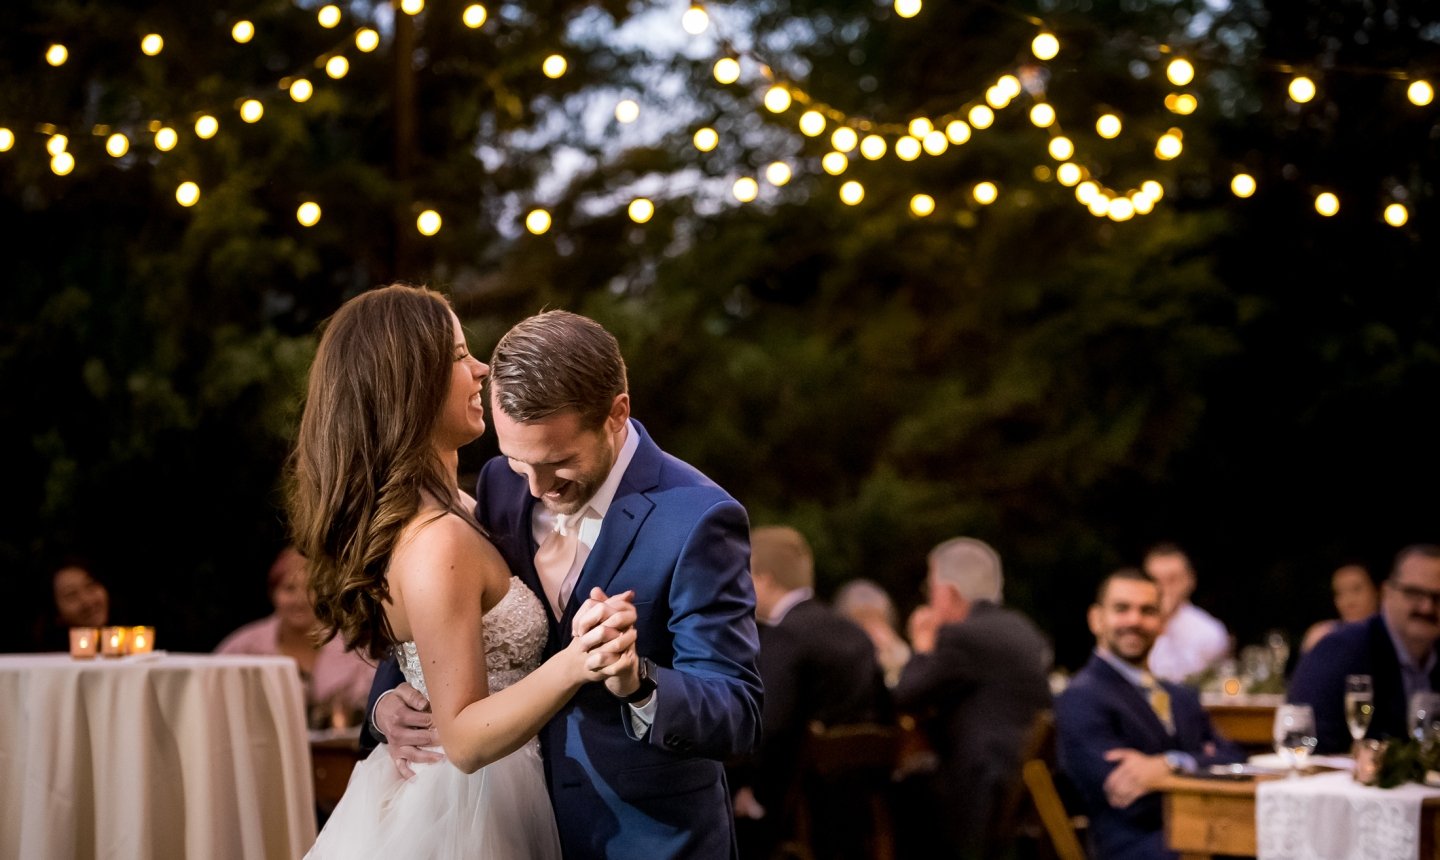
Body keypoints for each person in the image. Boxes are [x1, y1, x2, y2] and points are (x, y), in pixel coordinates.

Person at [367, 308, 763, 858]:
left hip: (648, 838)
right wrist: (387, 700)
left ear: (616, 413)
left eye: (560, 463)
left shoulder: (697, 518)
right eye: (517, 460)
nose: (536, 486)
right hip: (510, 823)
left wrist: (640, 684)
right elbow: (451, 610)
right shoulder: (501, 483)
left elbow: (738, 712)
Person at [288, 286, 639, 858]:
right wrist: (580, 660)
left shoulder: (471, 505)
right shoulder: (437, 540)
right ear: (411, 386)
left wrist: (385, 702)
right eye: (457, 356)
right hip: (465, 807)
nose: (481, 370)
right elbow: (464, 738)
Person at [1055, 568, 1243, 860]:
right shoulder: (1082, 697)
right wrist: (1204, 765)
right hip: (1135, 848)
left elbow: (1234, 759)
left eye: (1147, 611)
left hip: (1204, 835)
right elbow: (1126, 797)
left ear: (1161, 623)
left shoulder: (1181, 696)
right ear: (1096, 619)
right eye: (1121, 609)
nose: (1134, 620)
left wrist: (1171, 764)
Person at [731, 525, 887, 859]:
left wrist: (755, 794)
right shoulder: (854, 633)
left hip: (798, 814)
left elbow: (770, 728)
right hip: (860, 810)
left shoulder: (784, 637)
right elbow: (883, 711)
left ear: (765, 578)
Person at [891, 537, 1052, 859]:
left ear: (947, 592)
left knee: (895, 790)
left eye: (930, 588)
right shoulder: (1023, 629)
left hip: (978, 789)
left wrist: (922, 647)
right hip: (1024, 786)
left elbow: (905, 696)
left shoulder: (961, 636)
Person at [1288, 544, 1440, 754]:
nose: (1427, 607)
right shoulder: (1341, 650)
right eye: (1414, 593)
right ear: (1387, 593)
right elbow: (1306, 742)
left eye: (1437, 597)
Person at [215, 546, 377, 728]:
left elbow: (375, 706)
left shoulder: (353, 647)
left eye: (310, 589)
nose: (300, 600)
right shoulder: (242, 647)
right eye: (289, 589)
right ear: (273, 593)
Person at [1143, 542, 1230, 683]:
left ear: (1190, 581)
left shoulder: (1209, 631)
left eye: (1172, 580)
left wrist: (1164, 624)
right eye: (1155, 580)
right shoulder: (1131, 624)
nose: (1162, 588)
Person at [834, 578, 912, 688]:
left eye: (877, 619)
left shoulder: (898, 653)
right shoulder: (840, 657)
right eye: (864, 621)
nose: (873, 631)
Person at [25, 559, 113, 652]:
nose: (87, 602)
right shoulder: (48, 661)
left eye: (90, 585)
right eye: (71, 595)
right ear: (56, 614)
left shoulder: (128, 651)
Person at [1300, 563, 1380, 654]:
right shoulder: (1322, 635)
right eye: (1339, 593)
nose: (1349, 601)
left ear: (1377, 591)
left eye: (1356, 589)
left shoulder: (1394, 634)